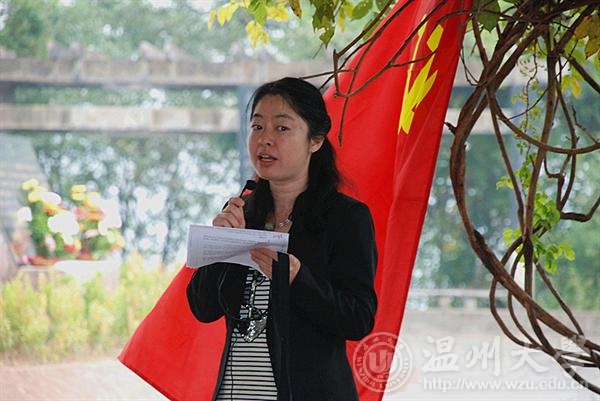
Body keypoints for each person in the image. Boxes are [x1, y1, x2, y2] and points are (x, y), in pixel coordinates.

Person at [186, 77, 377, 401]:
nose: (265, 140)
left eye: (282, 128)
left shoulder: (345, 217)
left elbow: (358, 319)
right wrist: (221, 242)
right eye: (257, 127)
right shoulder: (241, 212)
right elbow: (203, 309)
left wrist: (298, 278)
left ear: (315, 140)